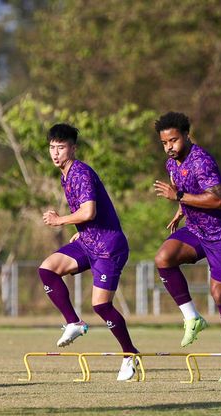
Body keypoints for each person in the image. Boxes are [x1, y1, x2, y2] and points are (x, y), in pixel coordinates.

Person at [37, 123, 139, 381]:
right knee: (47, 269)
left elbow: (89, 211)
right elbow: (88, 216)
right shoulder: (65, 175)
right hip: (88, 240)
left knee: (101, 305)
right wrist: (81, 230)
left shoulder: (80, 172)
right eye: (52, 147)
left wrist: (61, 220)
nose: (55, 153)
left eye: (61, 147)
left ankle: (130, 355)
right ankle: (74, 323)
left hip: (108, 247)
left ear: (73, 148)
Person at [152, 111, 221, 383]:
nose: (169, 146)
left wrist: (179, 196)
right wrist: (182, 210)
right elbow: (189, 192)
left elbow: (217, 200)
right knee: (163, 258)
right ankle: (192, 318)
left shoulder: (201, 161)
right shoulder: (172, 164)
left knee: (220, 294)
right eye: (164, 142)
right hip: (197, 230)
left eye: (174, 140)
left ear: (186, 136)